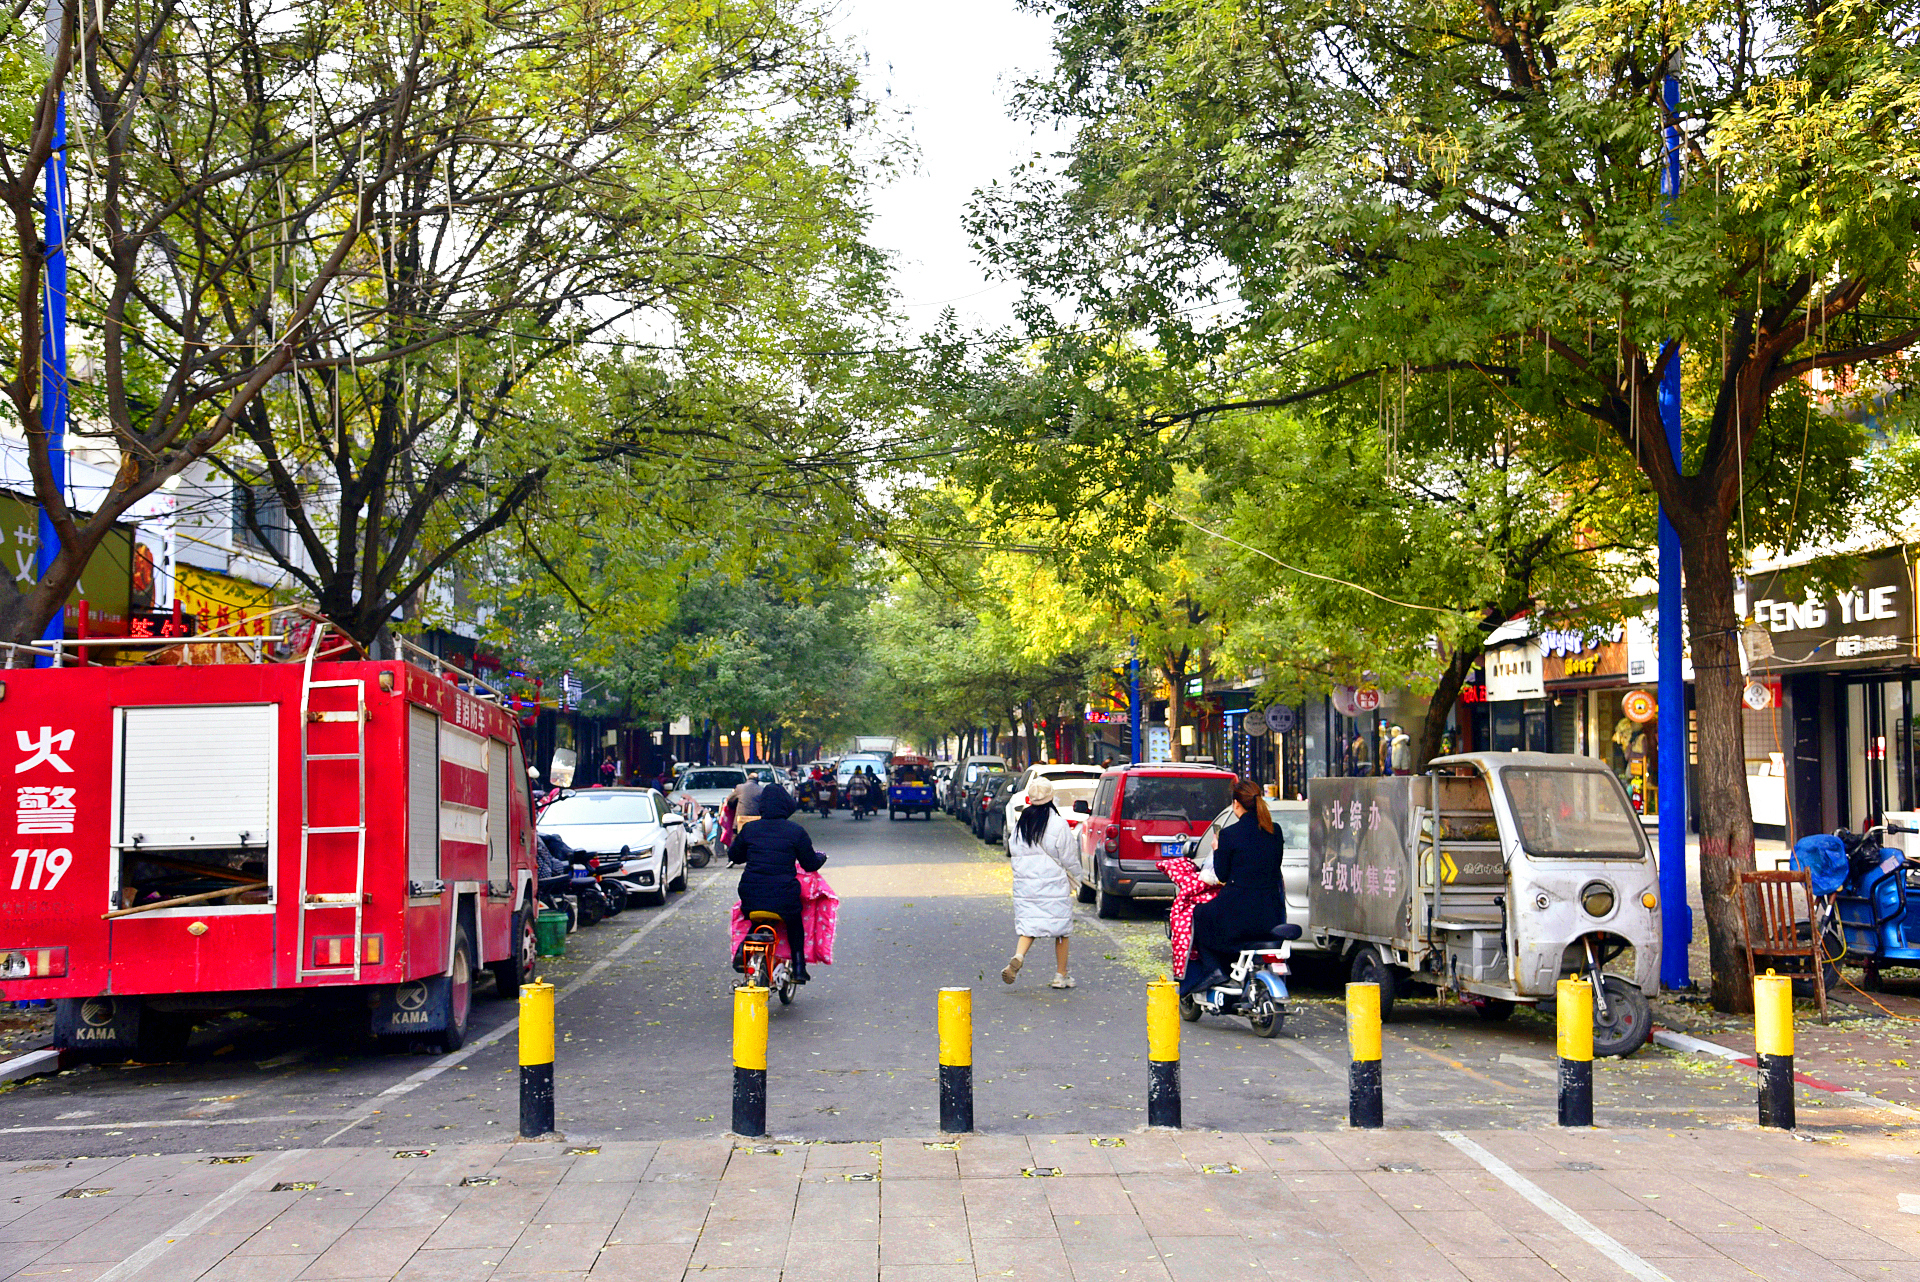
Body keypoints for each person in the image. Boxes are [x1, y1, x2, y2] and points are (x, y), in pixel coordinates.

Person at [1180, 776, 1284, 996]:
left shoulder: (1229, 834)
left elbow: (1222, 874)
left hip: (1239, 913)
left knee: (1198, 914)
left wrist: (1218, 849)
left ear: (1236, 804)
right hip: (1272, 914)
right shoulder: (1275, 831)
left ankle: (1213, 969)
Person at [728, 784, 827, 982]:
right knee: (794, 923)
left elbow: (734, 856)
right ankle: (799, 968)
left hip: (750, 895)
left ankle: (742, 950)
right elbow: (809, 864)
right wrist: (821, 857)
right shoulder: (796, 831)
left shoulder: (749, 829)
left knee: (756, 920)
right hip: (784, 897)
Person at [1001, 778, 1086, 989]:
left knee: (1029, 926)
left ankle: (1019, 956)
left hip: (1026, 885)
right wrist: (1079, 877)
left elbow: (1014, 851)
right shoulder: (1057, 823)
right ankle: (1061, 975)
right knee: (1061, 931)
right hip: (1053, 885)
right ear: (1051, 797)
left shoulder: (1022, 823)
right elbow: (1068, 856)